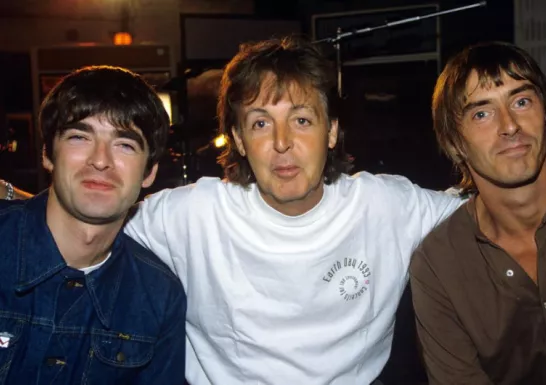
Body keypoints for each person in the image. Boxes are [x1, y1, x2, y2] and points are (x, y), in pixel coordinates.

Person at [1, 37, 463, 384]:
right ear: (239, 139)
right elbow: (90, 209)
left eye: (301, 120)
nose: (282, 142)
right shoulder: (192, 214)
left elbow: (496, 213)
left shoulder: (388, 206)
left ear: (332, 131)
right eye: (261, 123)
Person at [0, 66, 186, 385]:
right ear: (47, 153)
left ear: (149, 172)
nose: (100, 160)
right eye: (79, 137)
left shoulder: (159, 296)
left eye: (125, 144)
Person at [410, 41, 546, 385]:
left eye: (522, 102)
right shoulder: (439, 266)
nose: (509, 125)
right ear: (455, 142)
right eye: (482, 113)